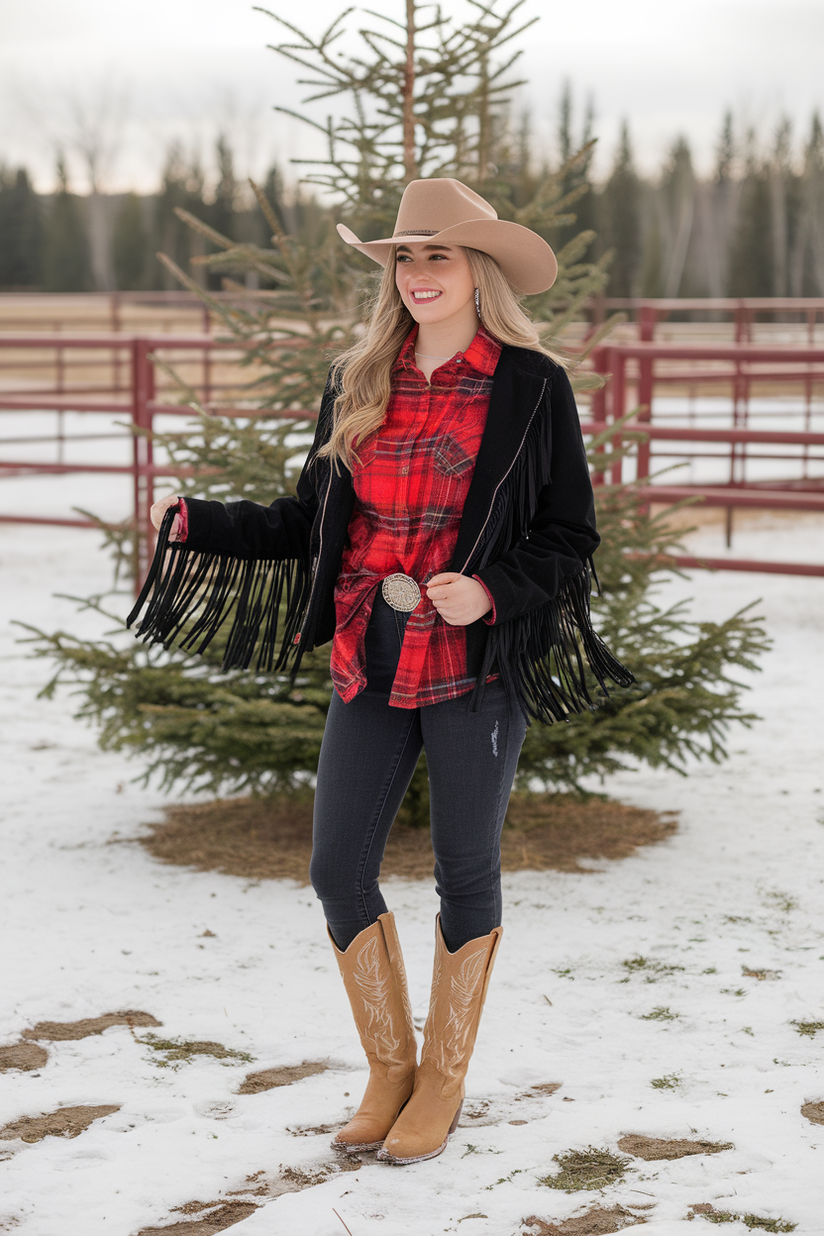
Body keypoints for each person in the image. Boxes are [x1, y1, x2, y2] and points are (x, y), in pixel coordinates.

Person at [129, 178, 633, 1166]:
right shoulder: (359, 378)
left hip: (472, 664)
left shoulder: (530, 384)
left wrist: (490, 589)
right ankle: (388, 1071)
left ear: (477, 269)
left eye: (435, 255)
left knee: (463, 870)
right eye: (403, 257)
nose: (415, 274)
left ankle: (441, 1081)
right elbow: (306, 520)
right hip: (369, 651)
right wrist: (204, 525)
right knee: (336, 869)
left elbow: (570, 536)